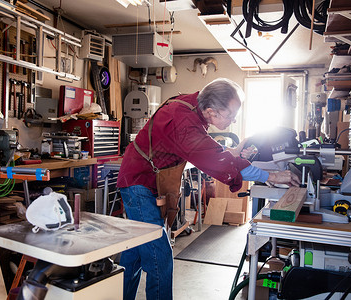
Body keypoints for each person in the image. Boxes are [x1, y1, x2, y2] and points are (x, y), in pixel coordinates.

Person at [117, 78, 300, 300]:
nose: (233, 121)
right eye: (230, 116)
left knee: (135, 252)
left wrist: (230, 152)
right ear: (212, 111)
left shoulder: (196, 106)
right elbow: (216, 159)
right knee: (159, 255)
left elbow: (206, 145)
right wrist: (272, 175)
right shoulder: (183, 120)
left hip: (145, 176)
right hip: (138, 180)